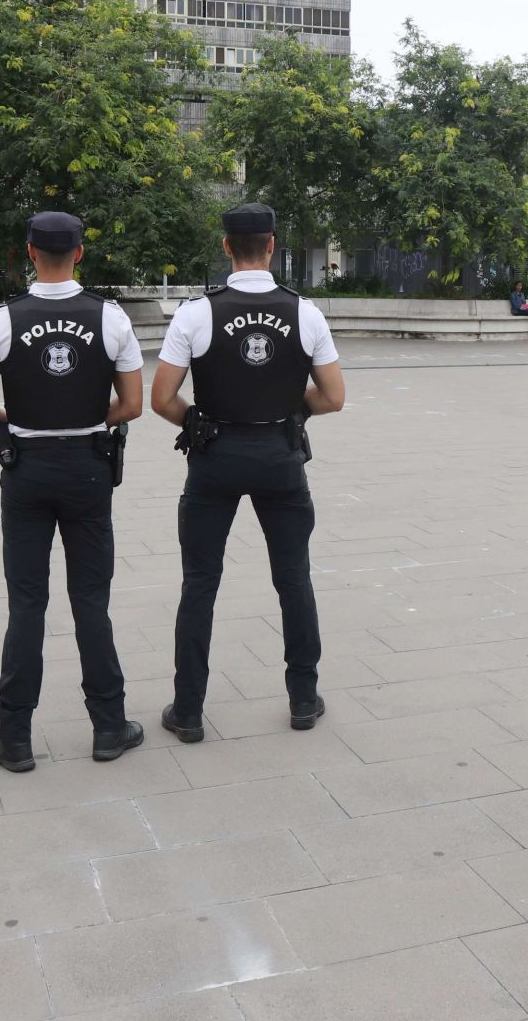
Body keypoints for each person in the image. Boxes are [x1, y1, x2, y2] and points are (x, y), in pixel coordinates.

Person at [151, 203, 345, 741]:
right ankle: (303, 698)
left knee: (200, 585)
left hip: (215, 458)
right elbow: (334, 397)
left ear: (226, 247)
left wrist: (200, 421)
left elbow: (161, 398)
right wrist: (292, 409)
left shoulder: (196, 313)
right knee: (293, 580)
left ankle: (188, 710)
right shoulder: (304, 312)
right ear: (274, 246)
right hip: (280, 456)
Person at [0, 212, 145, 773]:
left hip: (27, 471)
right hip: (88, 467)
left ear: (30, 253)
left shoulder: (2, 320)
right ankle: (109, 728)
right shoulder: (110, 318)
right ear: (80, 254)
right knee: (91, 600)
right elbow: (133, 405)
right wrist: (87, 423)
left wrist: (15, 432)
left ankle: (14, 736)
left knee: (27, 605)